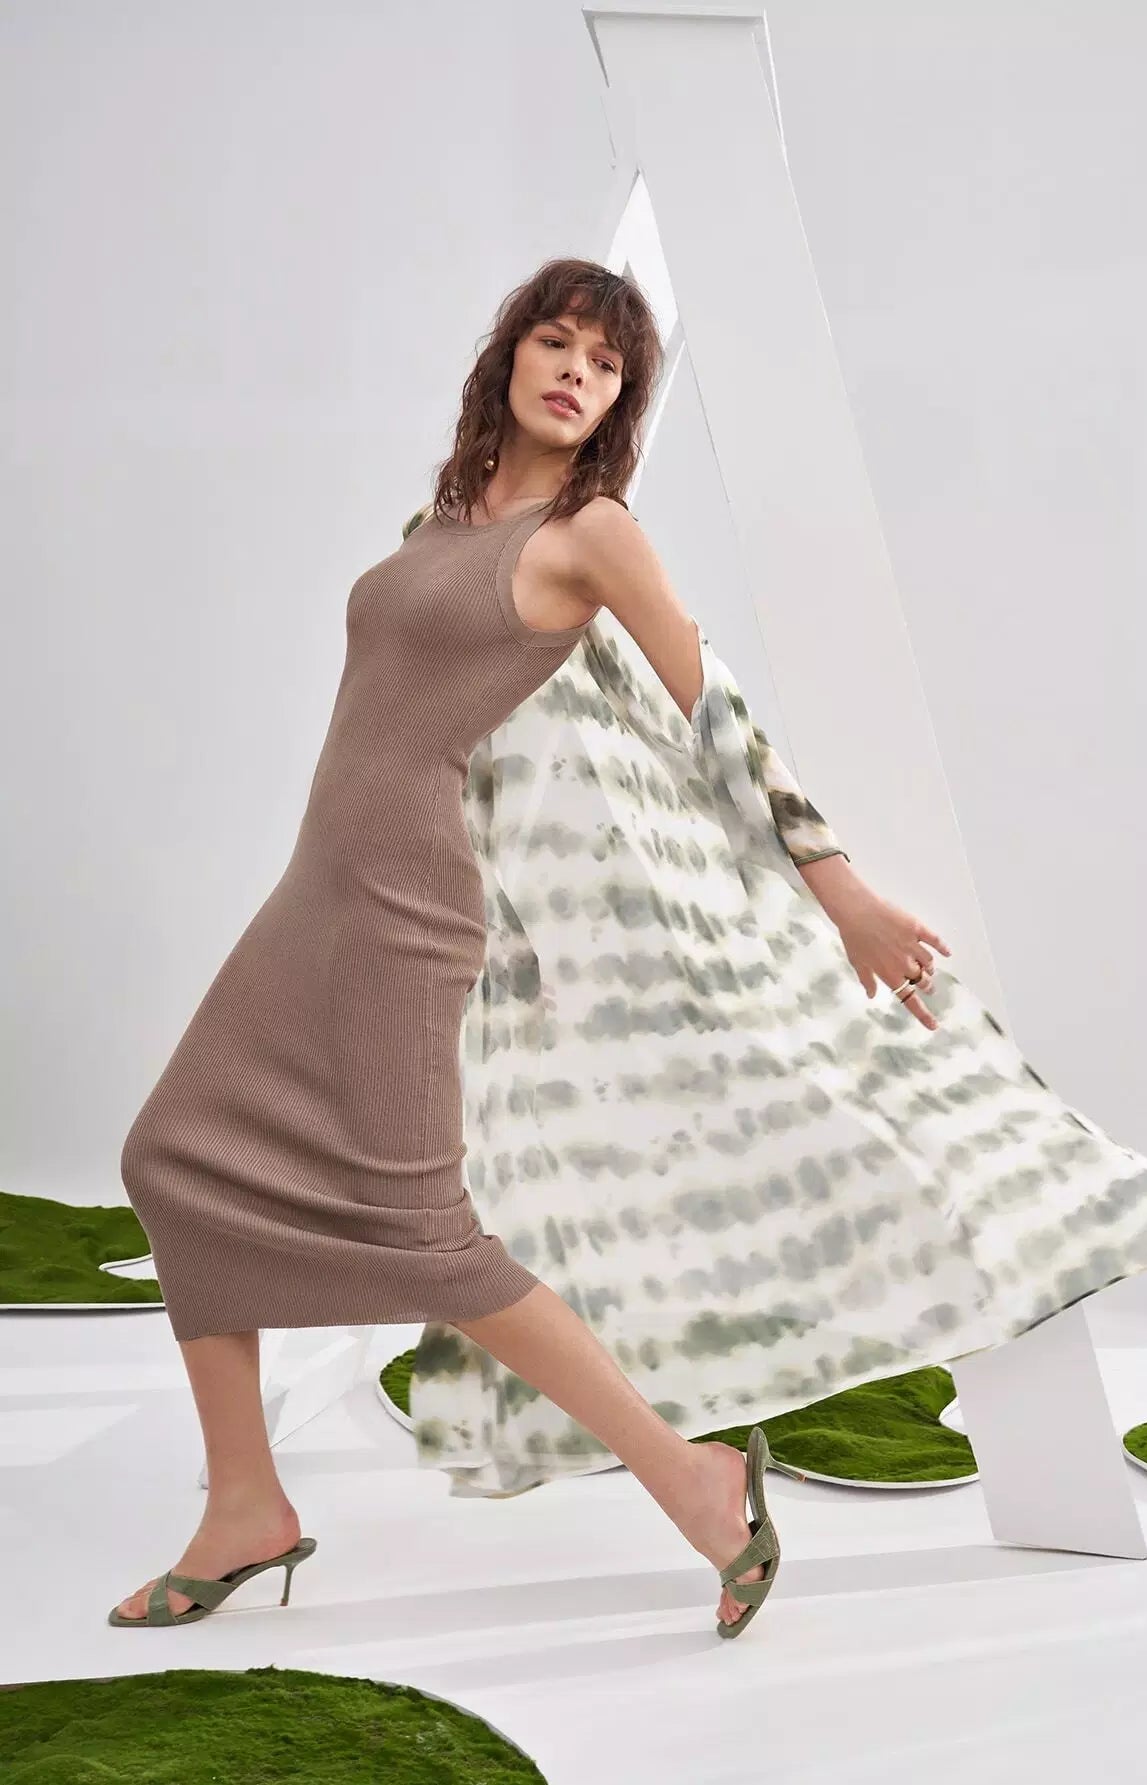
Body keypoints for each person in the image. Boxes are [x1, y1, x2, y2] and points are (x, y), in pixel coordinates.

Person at [110, 256, 950, 1636]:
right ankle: (245, 1499)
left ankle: (690, 1479)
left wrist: (840, 890)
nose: (577, 372)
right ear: (510, 355)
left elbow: (713, 712)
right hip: (314, 892)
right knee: (171, 1159)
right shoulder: (442, 519)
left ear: (621, 401)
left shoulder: (591, 532)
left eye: (607, 364)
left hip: (405, 908)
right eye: (556, 342)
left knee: (426, 1234)